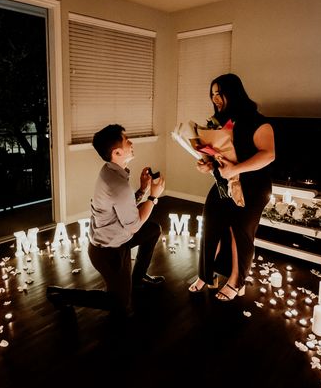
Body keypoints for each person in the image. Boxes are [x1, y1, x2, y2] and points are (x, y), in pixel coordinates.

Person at [47, 124, 165, 317]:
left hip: (119, 237)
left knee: (152, 229)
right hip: (108, 252)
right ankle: (61, 295)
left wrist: (143, 189)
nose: (131, 142)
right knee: (119, 303)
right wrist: (153, 196)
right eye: (127, 141)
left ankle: (138, 278)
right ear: (117, 152)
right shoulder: (117, 183)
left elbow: (125, 209)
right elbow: (134, 225)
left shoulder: (111, 171)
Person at [188, 73, 275, 301]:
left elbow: (268, 155)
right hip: (223, 183)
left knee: (240, 232)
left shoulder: (259, 122)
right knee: (211, 226)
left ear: (233, 93)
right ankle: (205, 275)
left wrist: (236, 170)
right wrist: (207, 164)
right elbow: (219, 155)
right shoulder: (218, 123)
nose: (215, 98)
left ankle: (236, 280)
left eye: (220, 93)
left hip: (254, 187)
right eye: (213, 94)